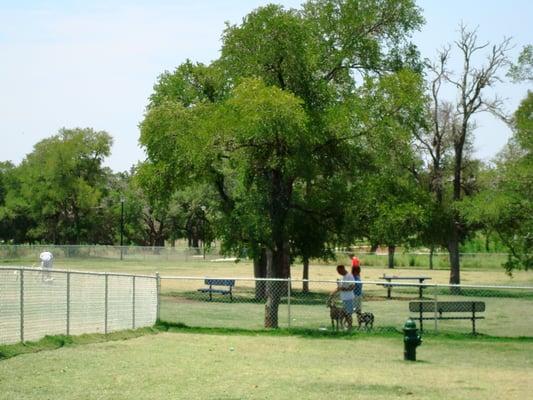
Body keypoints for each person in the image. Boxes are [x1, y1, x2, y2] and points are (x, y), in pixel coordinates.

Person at [331, 264, 355, 330]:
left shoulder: (349, 276)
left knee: (348, 314)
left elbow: (352, 287)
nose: (338, 272)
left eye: (338, 271)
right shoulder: (342, 277)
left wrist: (342, 288)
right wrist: (332, 294)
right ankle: (345, 327)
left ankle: (350, 327)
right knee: (344, 314)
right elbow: (339, 288)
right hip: (343, 299)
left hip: (349, 298)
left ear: (342, 269)